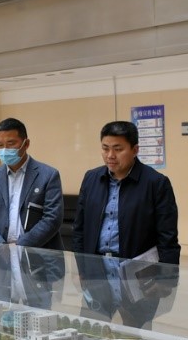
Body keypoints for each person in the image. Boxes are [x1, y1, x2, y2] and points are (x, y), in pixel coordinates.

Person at [72, 120, 180, 328]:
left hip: (136, 274)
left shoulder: (156, 183)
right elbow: (80, 230)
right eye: (105, 148)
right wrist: (82, 268)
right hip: (98, 270)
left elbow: (167, 237)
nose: (110, 155)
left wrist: (166, 279)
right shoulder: (92, 179)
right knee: (92, 332)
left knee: (135, 333)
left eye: (118, 149)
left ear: (135, 150)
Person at [0, 118, 65, 250]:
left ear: (26, 144)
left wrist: (20, 247)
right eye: (0, 145)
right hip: (0, 254)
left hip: (38, 253)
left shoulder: (49, 175)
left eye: (11, 143)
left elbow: (52, 219)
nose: (5, 150)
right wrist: (1, 247)